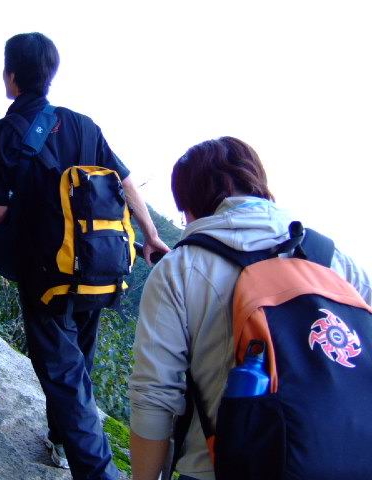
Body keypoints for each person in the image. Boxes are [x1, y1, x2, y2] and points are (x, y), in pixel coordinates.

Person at [0, 32, 170, 479]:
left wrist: (4, 247)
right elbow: (125, 182)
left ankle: (98, 472)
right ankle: (60, 439)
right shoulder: (83, 124)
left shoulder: (2, 135)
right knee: (79, 360)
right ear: (50, 74)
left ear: (11, 76)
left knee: (63, 374)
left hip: (47, 274)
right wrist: (152, 235)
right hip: (99, 266)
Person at [128, 136, 372, 480]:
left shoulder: (179, 269)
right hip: (348, 461)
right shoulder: (333, 259)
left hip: (218, 468)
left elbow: (153, 396)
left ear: (190, 204)